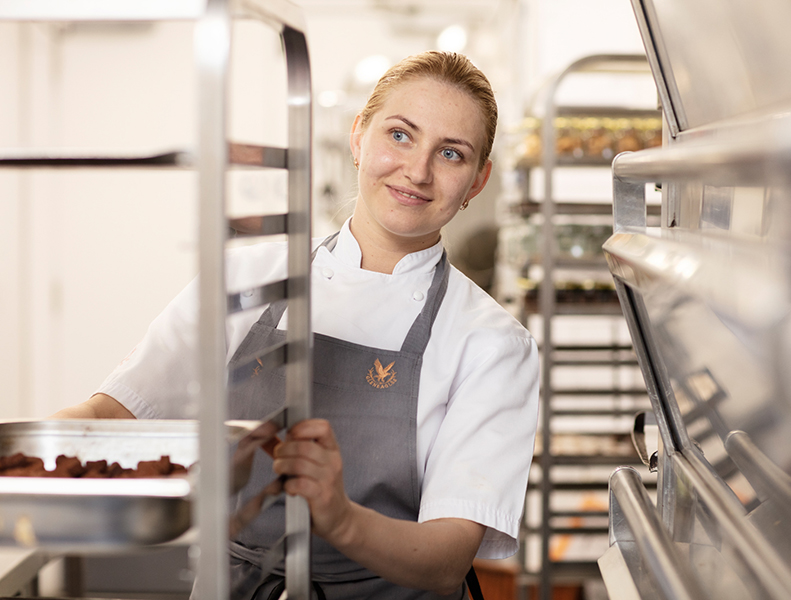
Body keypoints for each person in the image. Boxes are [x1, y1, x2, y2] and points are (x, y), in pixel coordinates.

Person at [53, 51, 539, 599]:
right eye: (400, 135)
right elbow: (113, 411)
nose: (418, 170)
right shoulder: (245, 276)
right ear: (358, 137)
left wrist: (342, 518)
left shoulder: (493, 343)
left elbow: (448, 557)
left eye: (451, 153)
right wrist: (27, 451)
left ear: (478, 180)